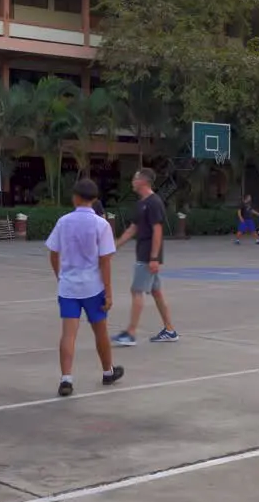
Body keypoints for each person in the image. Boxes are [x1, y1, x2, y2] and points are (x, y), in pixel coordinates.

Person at [46, 178, 126, 396]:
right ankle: (108, 372)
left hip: (69, 287)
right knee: (100, 331)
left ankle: (66, 378)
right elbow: (105, 261)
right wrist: (108, 292)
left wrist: (60, 276)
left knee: (68, 334)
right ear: (95, 199)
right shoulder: (102, 225)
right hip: (93, 286)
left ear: (75, 197)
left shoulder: (64, 221)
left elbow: (53, 253)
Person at [111, 168, 178, 345]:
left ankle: (130, 333)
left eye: (135, 178)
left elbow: (158, 230)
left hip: (148, 255)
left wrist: (154, 258)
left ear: (143, 181)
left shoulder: (154, 202)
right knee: (156, 292)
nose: (132, 181)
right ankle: (170, 330)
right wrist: (114, 246)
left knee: (136, 291)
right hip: (143, 252)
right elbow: (133, 228)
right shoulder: (141, 203)